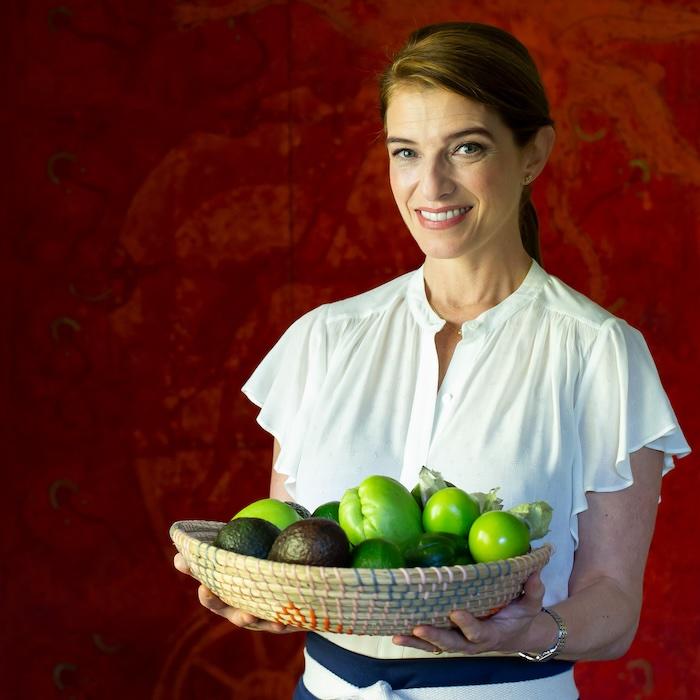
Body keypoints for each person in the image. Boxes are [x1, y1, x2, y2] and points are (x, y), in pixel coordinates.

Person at [174, 22, 690, 699]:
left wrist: (531, 632)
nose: (431, 185)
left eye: (466, 148)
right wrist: (268, 600)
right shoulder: (324, 340)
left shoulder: (598, 352)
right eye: (406, 152)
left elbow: (614, 605)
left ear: (533, 153)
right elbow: (298, 554)